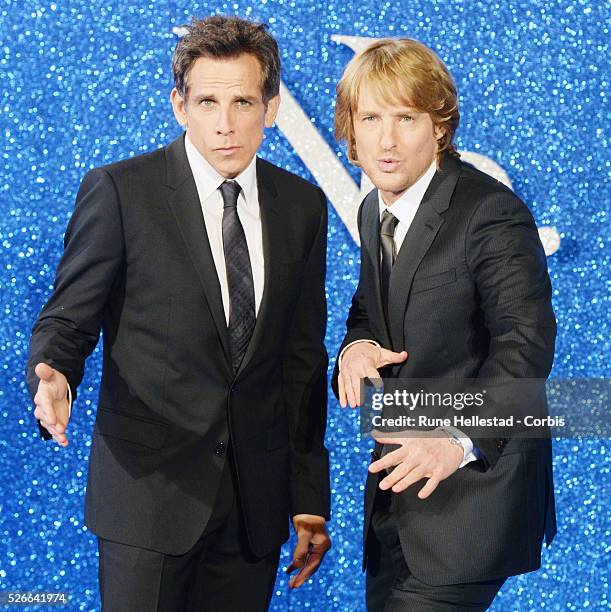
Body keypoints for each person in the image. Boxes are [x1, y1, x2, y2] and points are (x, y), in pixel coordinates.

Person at [27, 15, 331, 611]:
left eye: (243, 101)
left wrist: (308, 496)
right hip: (147, 494)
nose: (225, 124)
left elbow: (301, 361)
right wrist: (55, 372)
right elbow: (68, 318)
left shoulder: (302, 206)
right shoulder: (121, 191)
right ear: (178, 105)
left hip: (254, 508)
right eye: (207, 101)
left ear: (271, 108)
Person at [332, 38, 556, 611]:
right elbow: (371, 309)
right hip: (395, 504)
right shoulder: (374, 207)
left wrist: (458, 440)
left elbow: (525, 345)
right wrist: (356, 346)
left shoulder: (489, 211)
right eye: (371, 118)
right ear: (350, 130)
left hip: (472, 504)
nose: (385, 139)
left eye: (405, 118)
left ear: (439, 126)